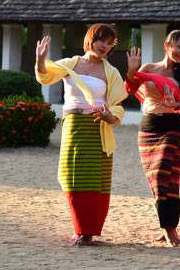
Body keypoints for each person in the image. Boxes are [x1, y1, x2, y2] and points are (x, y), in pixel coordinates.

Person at [35, 23, 127, 246]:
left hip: (97, 129)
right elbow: (45, 77)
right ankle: (81, 228)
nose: (104, 46)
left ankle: (87, 232)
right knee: (72, 178)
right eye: (101, 40)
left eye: (109, 43)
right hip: (73, 127)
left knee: (96, 181)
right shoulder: (71, 63)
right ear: (90, 39)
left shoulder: (110, 71)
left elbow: (117, 105)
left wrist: (109, 117)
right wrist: (40, 60)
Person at [125, 30, 180, 247]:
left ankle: (168, 228)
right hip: (148, 127)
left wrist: (178, 104)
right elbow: (130, 88)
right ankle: (168, 226)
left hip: (173, 127)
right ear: (167, 45)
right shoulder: (148, 69)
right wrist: (131, 71)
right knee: (157, 182)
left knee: (164, 177)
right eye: (179, 46)